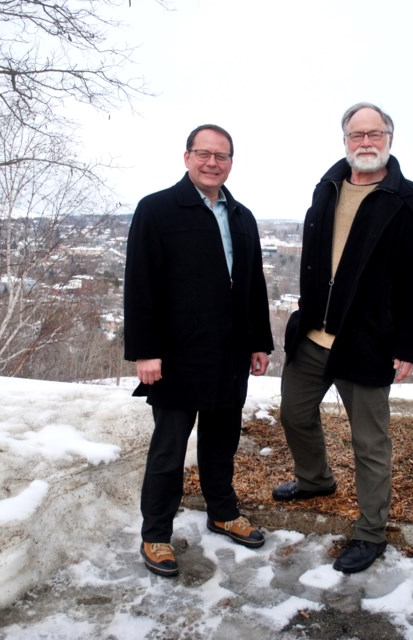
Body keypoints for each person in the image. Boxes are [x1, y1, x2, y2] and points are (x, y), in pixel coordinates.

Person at [274, 102, 413, 574]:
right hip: (315, 334)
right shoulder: (327, 188)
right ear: (345, 140)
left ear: (390, 138)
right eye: (356, 135)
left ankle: (370, 531)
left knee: (369, 443)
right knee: (294, 413)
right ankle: (315, 480)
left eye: (375, 133)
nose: (366, 142)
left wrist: (409, 345)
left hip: (368, 342)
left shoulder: (408, 200)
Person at [124, 124, 274, 577]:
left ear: (231, 162)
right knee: (169, 449)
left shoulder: (242, 216)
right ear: (186, 157)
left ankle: (223, 511)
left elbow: (253, 286)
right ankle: (155, 536)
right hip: (176, 355)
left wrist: (260, 341)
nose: (213, 163)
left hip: (229, 355)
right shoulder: (158, 210)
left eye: (222, 156)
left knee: (221, 441)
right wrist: (145, 352)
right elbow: (140, 283)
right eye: (204, 154)